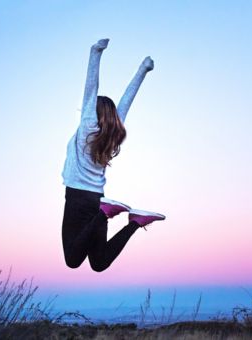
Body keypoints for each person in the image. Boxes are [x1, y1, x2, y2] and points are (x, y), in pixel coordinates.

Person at [61, 38, 165, 272]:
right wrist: (143, 70)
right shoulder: (113, 133)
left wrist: (95, 52)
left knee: (72, 260)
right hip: (97, 198)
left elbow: (90, 88)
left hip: (78, 199)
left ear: (92, 111)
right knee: (99, 263)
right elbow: (127, 100)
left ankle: (103, 214)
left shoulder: (88, 126)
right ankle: (135, 221)